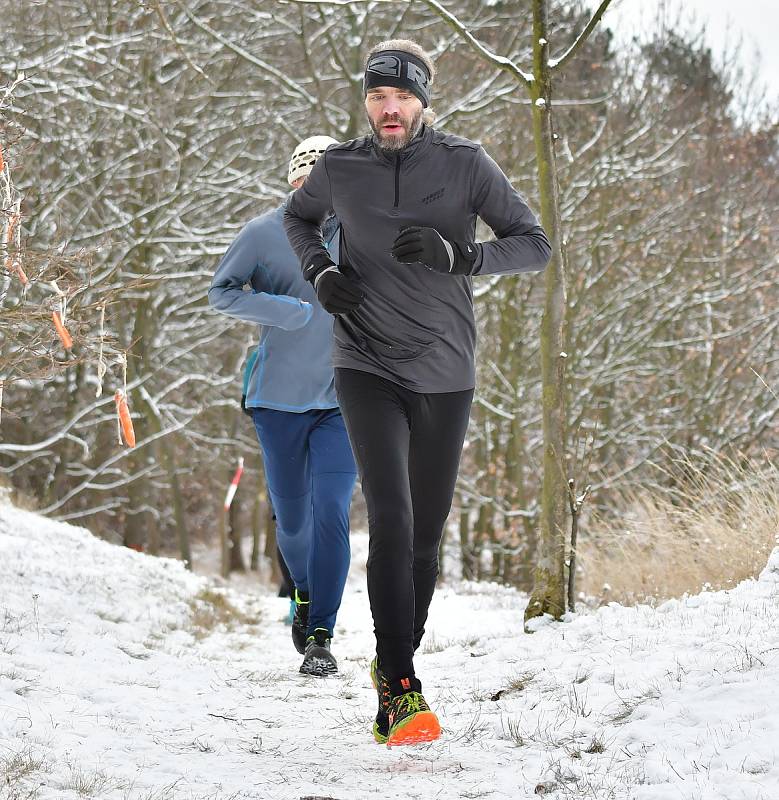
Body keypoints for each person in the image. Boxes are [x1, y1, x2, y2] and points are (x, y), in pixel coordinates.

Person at [284, 40, 551, 746]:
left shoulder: (465, 165)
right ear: (366, 103)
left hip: (445, 369)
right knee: (393, 518)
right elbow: (297, 218)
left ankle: (392, 660)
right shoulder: (340, 167)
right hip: (365, 363)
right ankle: (401, 686)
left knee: (425, 538)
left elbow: (533, 243)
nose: (388, 107)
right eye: (376, 96)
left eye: (400, 96)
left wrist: (461, 256)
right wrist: (318, 273)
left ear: (423, 102)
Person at [209, 135, 357, 677]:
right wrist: (283, 309)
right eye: (307, 184)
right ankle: (300, 594)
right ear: (294, 184)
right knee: (293, 520)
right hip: (277, 401)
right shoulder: (263, 234)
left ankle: (322, 631)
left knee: (333, 512)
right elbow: (221, 291)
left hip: (346, 399)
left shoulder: (363, 234)